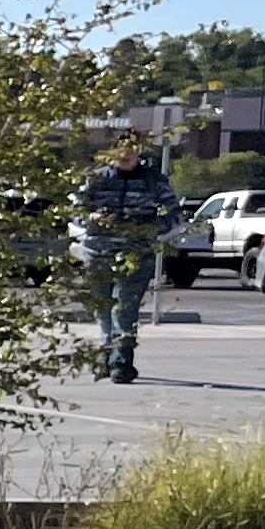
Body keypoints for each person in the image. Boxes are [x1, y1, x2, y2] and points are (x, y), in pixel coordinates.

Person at [77, 135, 175, 385]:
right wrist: (94, 217)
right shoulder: (96, 179)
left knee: (125, 308)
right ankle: (106, 357)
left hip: (136, 253)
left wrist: (145, 227)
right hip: (99, 252)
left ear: (138, 153)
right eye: (120, 150)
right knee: (102, 309)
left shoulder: (155, 181)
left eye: (130, 151)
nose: (125, 155)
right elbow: (77, 212)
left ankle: (121, 362)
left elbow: (171, 215)